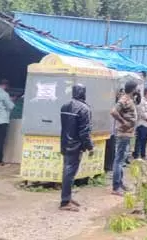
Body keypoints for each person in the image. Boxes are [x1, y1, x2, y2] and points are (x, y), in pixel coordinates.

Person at [59, 84, 93, 212]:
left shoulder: (65, 106)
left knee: (67, 172)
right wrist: (90, 147)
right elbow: (85, 131)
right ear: (83, 93)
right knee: (70, 173)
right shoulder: (84, 109)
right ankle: (65, 201)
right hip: (76, 145)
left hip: (65, 143)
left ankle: (67, 196)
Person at [110, 81, 138, 196]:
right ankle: (116, 187)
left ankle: (120, 183)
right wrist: (123, 122)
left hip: (127, 133)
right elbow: (113, 111)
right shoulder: (124, 99)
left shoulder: (129, 99)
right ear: (133, 89)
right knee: (118, 160)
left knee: (122, 159)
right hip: (123, 133)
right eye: (136, 89)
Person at [133, 88, 147, 161]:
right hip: (142, 123)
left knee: (145, 139)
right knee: (139, 139)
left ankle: (143, 154)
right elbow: (141, 113)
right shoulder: (141, 101)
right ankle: (137, 155)